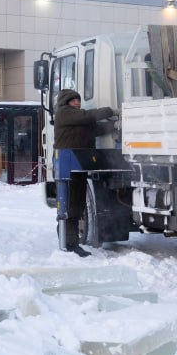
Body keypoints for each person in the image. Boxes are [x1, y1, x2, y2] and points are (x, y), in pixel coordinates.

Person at [53, 89, 117, 256]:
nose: (77, 103)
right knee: (69, 205)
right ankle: (68, 243)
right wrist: (110, 111)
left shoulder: (79, 120)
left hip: (80, 163)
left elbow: (96, 129)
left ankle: (70, 241)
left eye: (78, 100)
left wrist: (115, 125)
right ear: (66, 102)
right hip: (67, 166)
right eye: (74, 100)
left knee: (77, 204)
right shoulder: (63, 113)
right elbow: (87, 116)